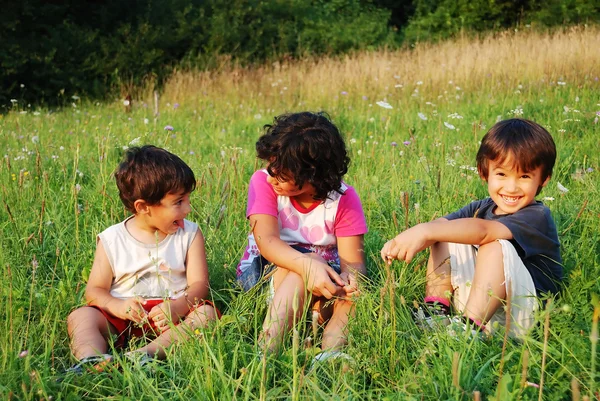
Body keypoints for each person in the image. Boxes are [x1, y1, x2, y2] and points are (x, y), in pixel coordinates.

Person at [381, 118, 562, 337]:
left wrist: (426, 231)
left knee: (492, 244)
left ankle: (466, 332)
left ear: (543, 179)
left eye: (524, 176)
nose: (511, 187)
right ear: (484, 172)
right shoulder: (481, 207)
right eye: (502, 174)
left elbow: (484, 231)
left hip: (524, 315)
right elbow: (440, 227)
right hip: (485, 304)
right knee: (445, 231)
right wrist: (404, 239)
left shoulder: (537, 216)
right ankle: (436, 312)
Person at [67, 145, 219, 373]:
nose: (188, 209)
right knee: (81, 316)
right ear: (143, 207)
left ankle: (143, 355)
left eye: (188, 199)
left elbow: (200, 284)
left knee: (206, 315)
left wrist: (178, 306)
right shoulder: (112, 239)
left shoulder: (189, 234)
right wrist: (117, 306)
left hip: (172, 315)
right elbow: (95, 291)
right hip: (122, 318)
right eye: (179, 202)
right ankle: (90, 359)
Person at [237, 111, 367, 358]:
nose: (273, 172)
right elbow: (268, 242)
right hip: (266, 272)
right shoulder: (263, 183)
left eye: (284, 172)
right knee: (302, 271)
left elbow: (354, 263)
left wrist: (350, 281)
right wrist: (308, 265)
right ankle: (266, 352)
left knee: (352, 298)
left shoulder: (344, 199)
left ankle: (330, 352)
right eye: (272, 162)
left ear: (314, 175)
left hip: (324, 277)